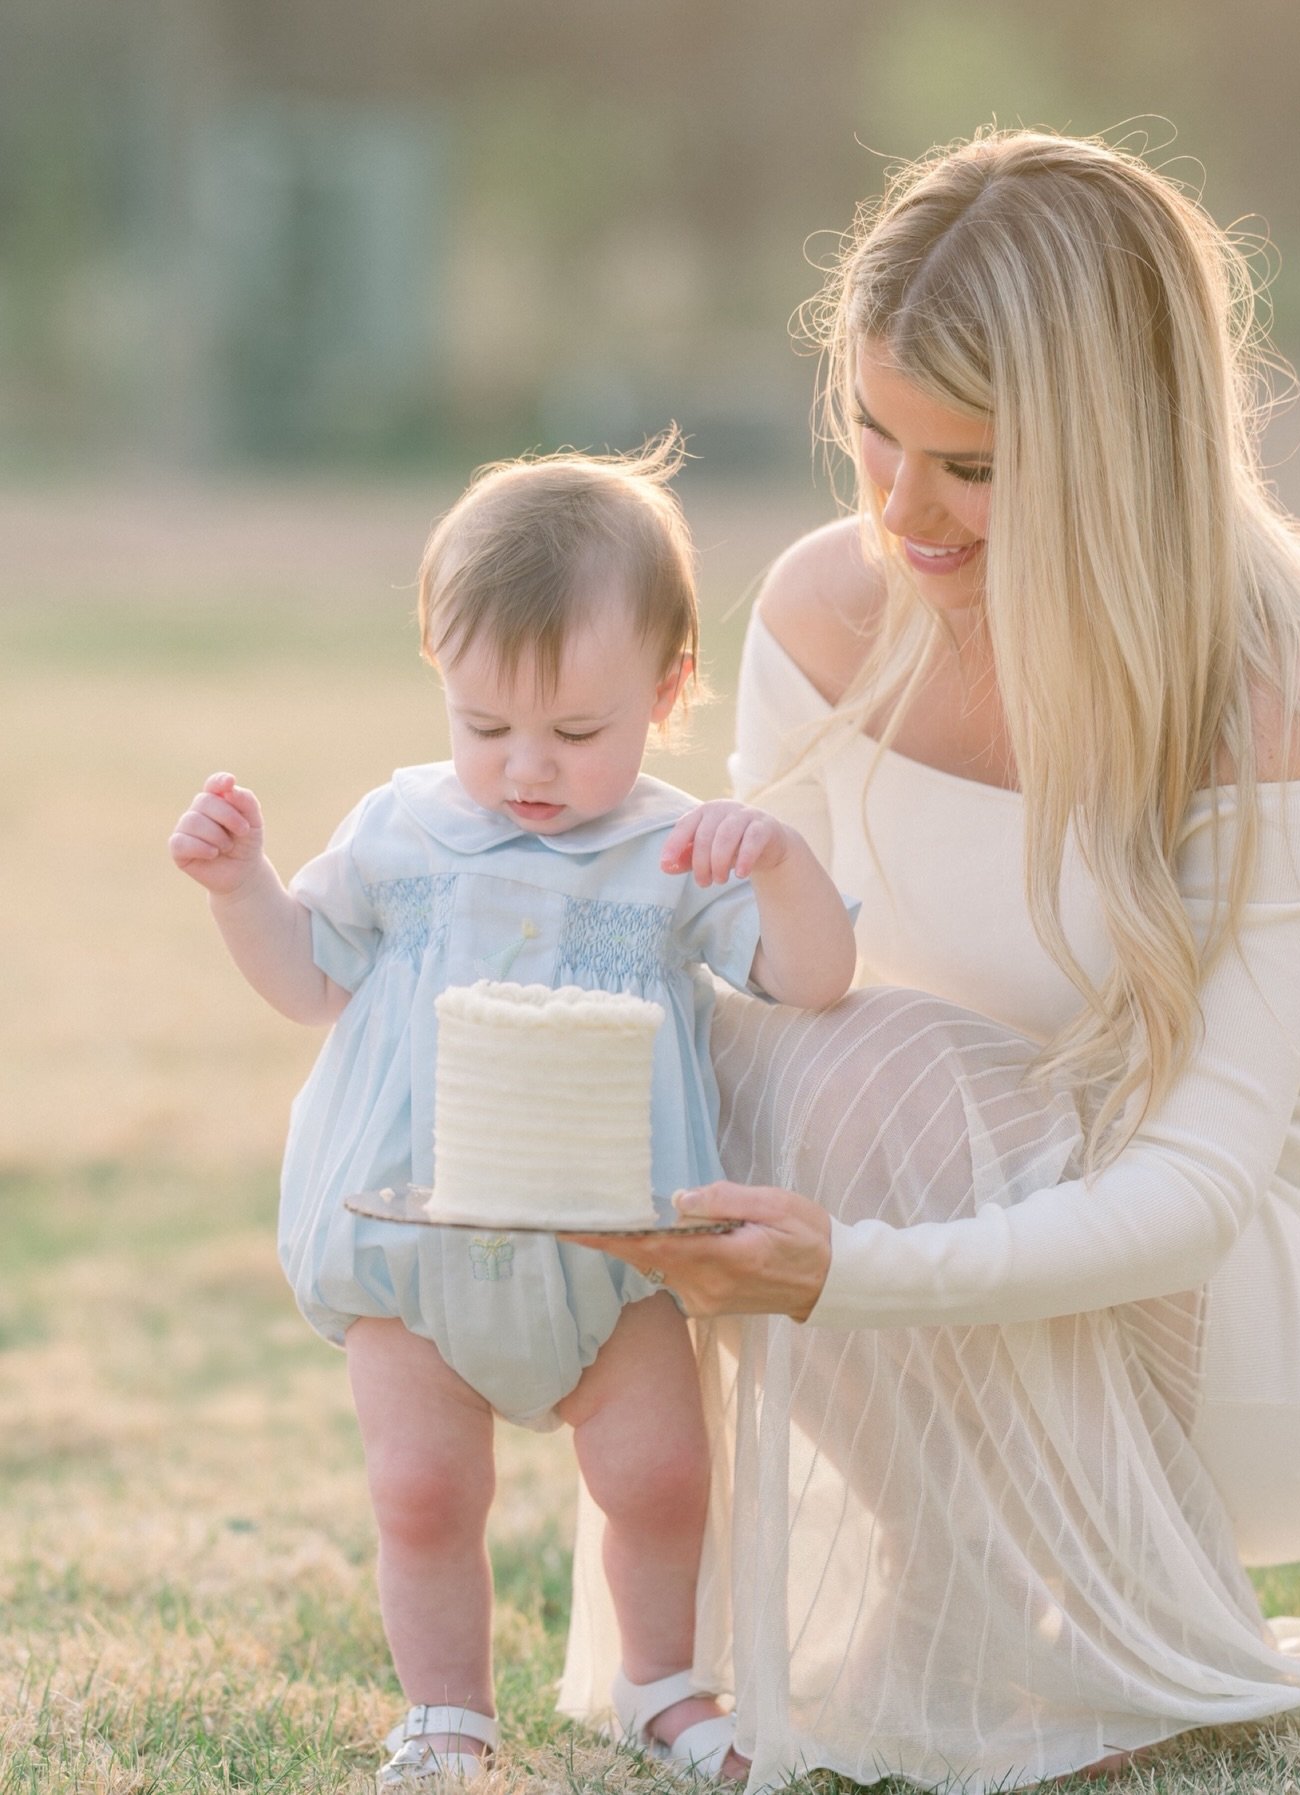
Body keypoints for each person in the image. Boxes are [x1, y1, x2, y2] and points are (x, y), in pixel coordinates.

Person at [563, 130, 1300, 1789]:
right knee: (721, 1059)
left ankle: (1038, 1628)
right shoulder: (827, 611)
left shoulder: (1260, 690)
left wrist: (852, 1273)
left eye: (969, 463)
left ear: (1114, 451)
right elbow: (752, 997)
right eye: (873, 433)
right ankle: (949, 1585)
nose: (901, 510)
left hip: (1274, 1341)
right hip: (944, 1225)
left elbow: (1198, 1189)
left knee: (877, 1064)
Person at [168, 442, 855, 1788]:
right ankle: (446, 1713)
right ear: (438, 667)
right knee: (423, 1491)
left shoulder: (672, 851)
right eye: (485, 726)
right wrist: (243, 890)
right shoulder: (402, 829)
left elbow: (814, 979)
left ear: (667, 692)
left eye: (577, 734)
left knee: (659, 1478)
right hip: (414, 1240)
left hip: (614, 1246)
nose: (527, 768)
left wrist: (781, 865)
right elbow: (310, 983)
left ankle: (662, 1682)